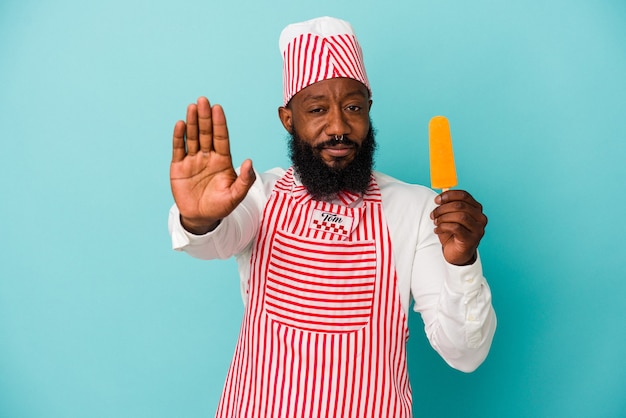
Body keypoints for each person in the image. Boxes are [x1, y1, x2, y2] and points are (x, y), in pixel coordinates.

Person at [168, 16, 496, 418]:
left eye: (353, 107)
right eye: (318, 109)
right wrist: (200, 219)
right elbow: (213, 242)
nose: (339, 126)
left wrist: (461, 262)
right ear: (289, 119)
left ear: (369, 112)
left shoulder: (416, 209)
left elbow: (465, 352)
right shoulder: (259, 193)